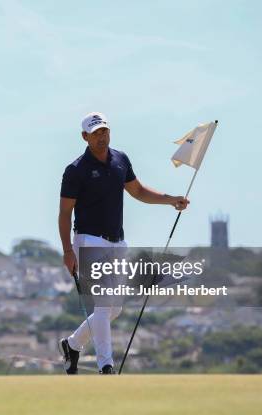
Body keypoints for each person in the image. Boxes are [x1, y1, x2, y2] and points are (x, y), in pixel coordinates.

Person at [58, 112, 189, 374]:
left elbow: (138, 191)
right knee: (105, 305)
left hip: (117, 241)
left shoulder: (120, 160)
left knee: (114, 308)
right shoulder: (75, 170)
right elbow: (65, 212)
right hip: (88, 241)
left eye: (104, 131)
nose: (102, 136)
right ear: (85, 137)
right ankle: (106, 366)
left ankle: (73, 344)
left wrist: (170, 199)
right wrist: (67, 250)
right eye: (95, 133)